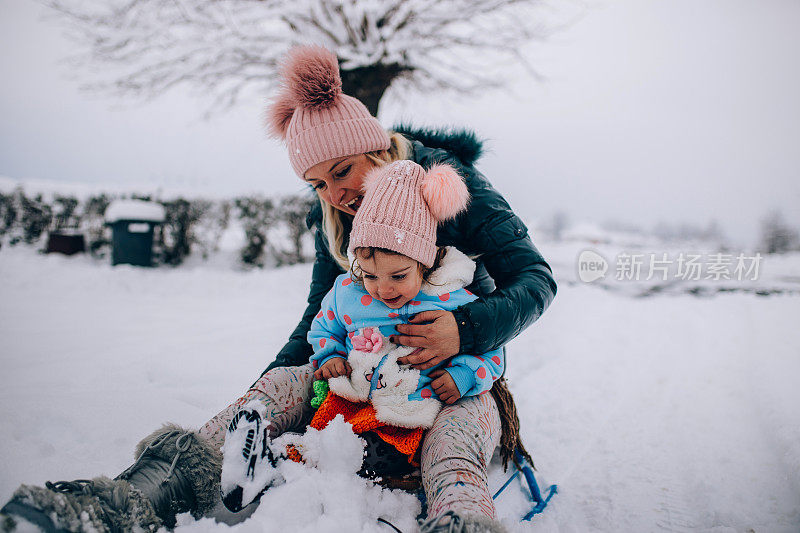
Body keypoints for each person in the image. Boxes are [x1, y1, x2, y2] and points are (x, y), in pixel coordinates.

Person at [0, 44, 556, 533]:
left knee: (455, 448)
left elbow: (535, 279)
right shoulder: (338, 222)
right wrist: (268, 395)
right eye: (317, 184)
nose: (334, 193)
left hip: (452, 378)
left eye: (342, 171)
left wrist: (465, 330)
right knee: (275, 392)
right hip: (359, 380)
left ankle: (463, 522)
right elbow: (318, 316)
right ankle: (128, 500)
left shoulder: (452, 185)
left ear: (379, 149)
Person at [219, 159, 508, 510]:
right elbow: (324, 327)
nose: (383, 289)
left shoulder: (454, 299)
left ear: (425, 261)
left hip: (412, 414)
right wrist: (330, 356)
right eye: (370, 276)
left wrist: (462, 375)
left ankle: (455, 511)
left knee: (374, 451)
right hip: (353, 402)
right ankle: (264, 463)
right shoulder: (347, 293)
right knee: (329, 436)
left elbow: (492, 354)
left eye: (398, 276)